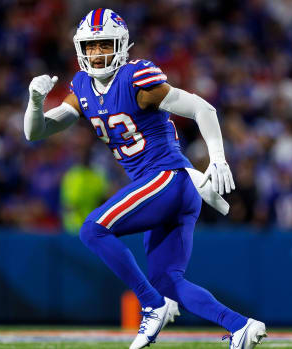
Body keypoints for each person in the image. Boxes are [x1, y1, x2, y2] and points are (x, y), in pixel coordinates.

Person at [24, 8, 266, 349]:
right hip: (172, 188)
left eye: (104, 44)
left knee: (93, 229)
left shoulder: (137, 78)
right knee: (168, 281)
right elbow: (37, 131)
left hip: (167, 177)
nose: (97, 53)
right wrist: (35, 101)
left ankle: (151, 306)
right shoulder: (81, 87)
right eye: (91, 46)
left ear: (121, 45)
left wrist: (219, 158)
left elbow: (202, 108)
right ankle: (240, 326)